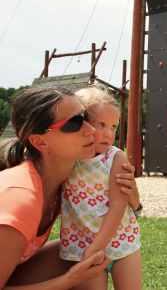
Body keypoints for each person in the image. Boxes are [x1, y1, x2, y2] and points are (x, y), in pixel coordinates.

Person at [0, 87, 140, 289]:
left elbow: (118, 204)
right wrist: (68, 281)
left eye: (85, 117)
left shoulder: (62, 179)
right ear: (40, 142)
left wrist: (133, 198)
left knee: (76, 247)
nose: (92, 130)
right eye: (74, 123)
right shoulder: (21, 199)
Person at [59, 87, 142, 290]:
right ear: (82, 124)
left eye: (113, 127)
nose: (108, 133)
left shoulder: (115, 157)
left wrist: (94, 250)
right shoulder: (68, 159)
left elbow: (117, 206)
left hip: (122, 244)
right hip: (80, 246)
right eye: (101, 125)